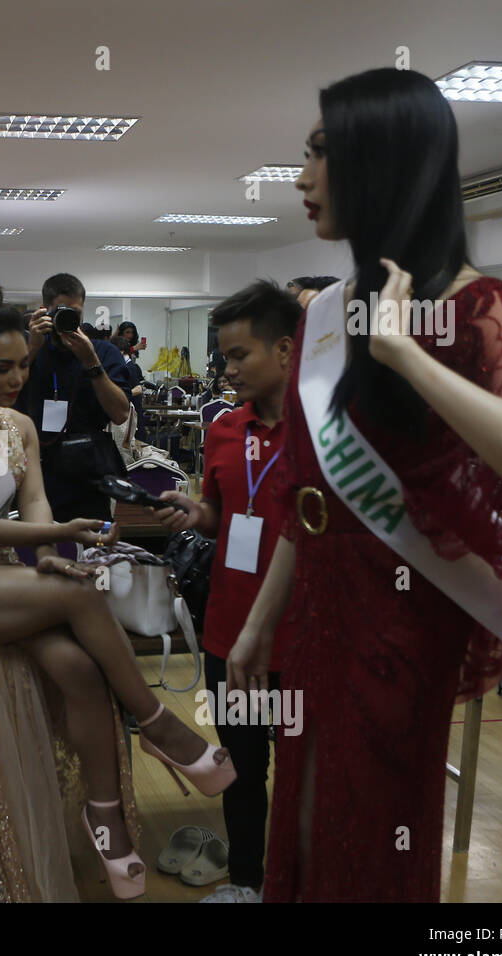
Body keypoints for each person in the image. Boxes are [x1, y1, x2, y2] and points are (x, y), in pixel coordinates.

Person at [227, 68, 502, 902]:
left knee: (368, 831)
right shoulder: (325, 312)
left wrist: (404, 356)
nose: (300, 176)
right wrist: (259, 624)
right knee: (309, 820)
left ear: (381, 161)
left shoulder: (477, 305)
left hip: (398, 620)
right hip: (319, 612)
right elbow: (310, 503)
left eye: (321, 152)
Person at [0, 272, 234, 901]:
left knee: (81, 672)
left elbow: (31, 508)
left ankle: (104, 820)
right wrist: (53, 544)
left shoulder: (21, 427)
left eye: (22, 366)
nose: (16, 379)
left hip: (5, 576)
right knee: (85, 595)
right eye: (0, 368)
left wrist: (51, 551)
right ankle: (159, 723)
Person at [153, 279, 302, 903]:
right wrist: (194, 511)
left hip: (304, 636)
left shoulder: (326, 430)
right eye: (224, 355)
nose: (228, 367)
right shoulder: (221, 428)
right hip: (229, 631)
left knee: (303, 771)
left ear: (288, 351)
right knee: (244, 763)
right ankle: (247, 881)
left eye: (242, 354)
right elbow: (221, 513)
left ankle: (303, 882)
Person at [17, 273, 131, 524]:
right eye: (61, 311)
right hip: (37, 468)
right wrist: (31, 348)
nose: (68, 318)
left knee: (90, 553)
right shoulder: (27, 347)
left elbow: (121, 413)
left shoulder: (102, 351)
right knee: (37, 551)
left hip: (88, 474)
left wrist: (91, 362)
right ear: (45, 310)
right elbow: (3, 399)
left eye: (75, 313)